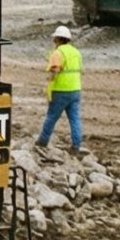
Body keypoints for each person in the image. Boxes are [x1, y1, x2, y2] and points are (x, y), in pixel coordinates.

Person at [36, 24, 84, 155]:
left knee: (51, 117)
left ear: (57, 39)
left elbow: (56, 70)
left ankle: (42, 141)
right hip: (75, 90)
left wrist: (51, 79)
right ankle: (76, 146)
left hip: (60, 90)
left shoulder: (58, 53)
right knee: (74, 119)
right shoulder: (76, 52)